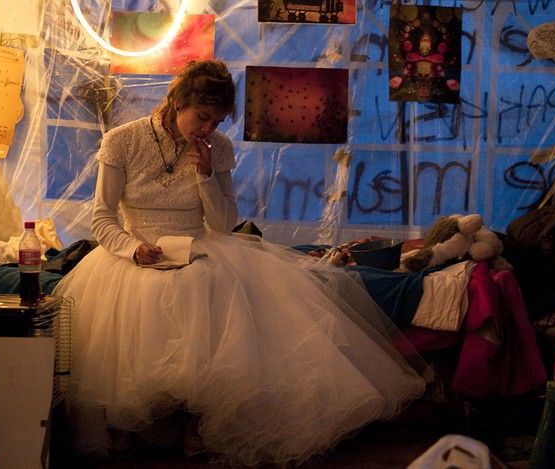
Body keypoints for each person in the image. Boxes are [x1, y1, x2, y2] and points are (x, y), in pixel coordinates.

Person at [53, 60, 426, 467]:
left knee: (207, 292)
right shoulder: (123, 141)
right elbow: (102, 216)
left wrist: (207, 176)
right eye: (202, 116)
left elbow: (224, 224)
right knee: (139, 314)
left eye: (216, 121)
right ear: (178, 102)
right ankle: (133, 427)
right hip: (135, 253)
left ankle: (199, 426)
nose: (208, 128)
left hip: (197, 249)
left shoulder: (218, 148)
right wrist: (131, 249)